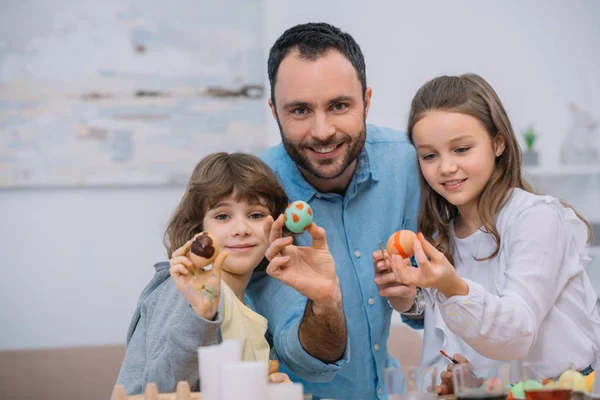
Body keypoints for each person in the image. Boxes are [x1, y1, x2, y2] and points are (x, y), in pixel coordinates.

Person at [386, 73, 600, 394]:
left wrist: (450, 285)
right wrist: (467, 378)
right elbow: (465, 345)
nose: (445, 167)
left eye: (461, 149)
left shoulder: (536, 218)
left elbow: (516, 335)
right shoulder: (442, 235)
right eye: (429, 155)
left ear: (497, 143)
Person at [246, 22, 422, 399]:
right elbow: (301, 354)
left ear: (367, 101)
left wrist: (415, 297)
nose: (323, 131)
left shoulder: (408, 166)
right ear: (275, 111)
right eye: (300, 110)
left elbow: (431, 301)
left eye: (339, 105)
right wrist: (325, 301)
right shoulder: (254, 199)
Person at [116, 152, 295, 394]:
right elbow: (157, 390)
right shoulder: (184, 292)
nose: (241, 229)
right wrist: (199, 316)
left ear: (276, 225)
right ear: (198, 228)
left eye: (255, 215)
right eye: (222, 216)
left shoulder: (250, 308)